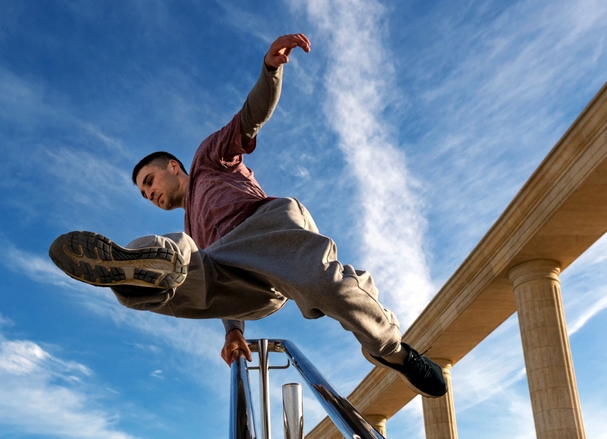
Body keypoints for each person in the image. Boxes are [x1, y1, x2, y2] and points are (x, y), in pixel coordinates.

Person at [48, 33, 446, 398]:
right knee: (184, 259)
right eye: (143, 192)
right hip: (234, 275)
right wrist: (234, 332)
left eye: (149, 181)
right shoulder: (191, 229)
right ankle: (134, 272)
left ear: (173, 166)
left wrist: (270, 71)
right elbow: (220, 291)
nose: (149, 193)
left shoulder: (207, 159)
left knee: (327, 288)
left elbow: (250, 117)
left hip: (265, 232)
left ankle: (392, 350)